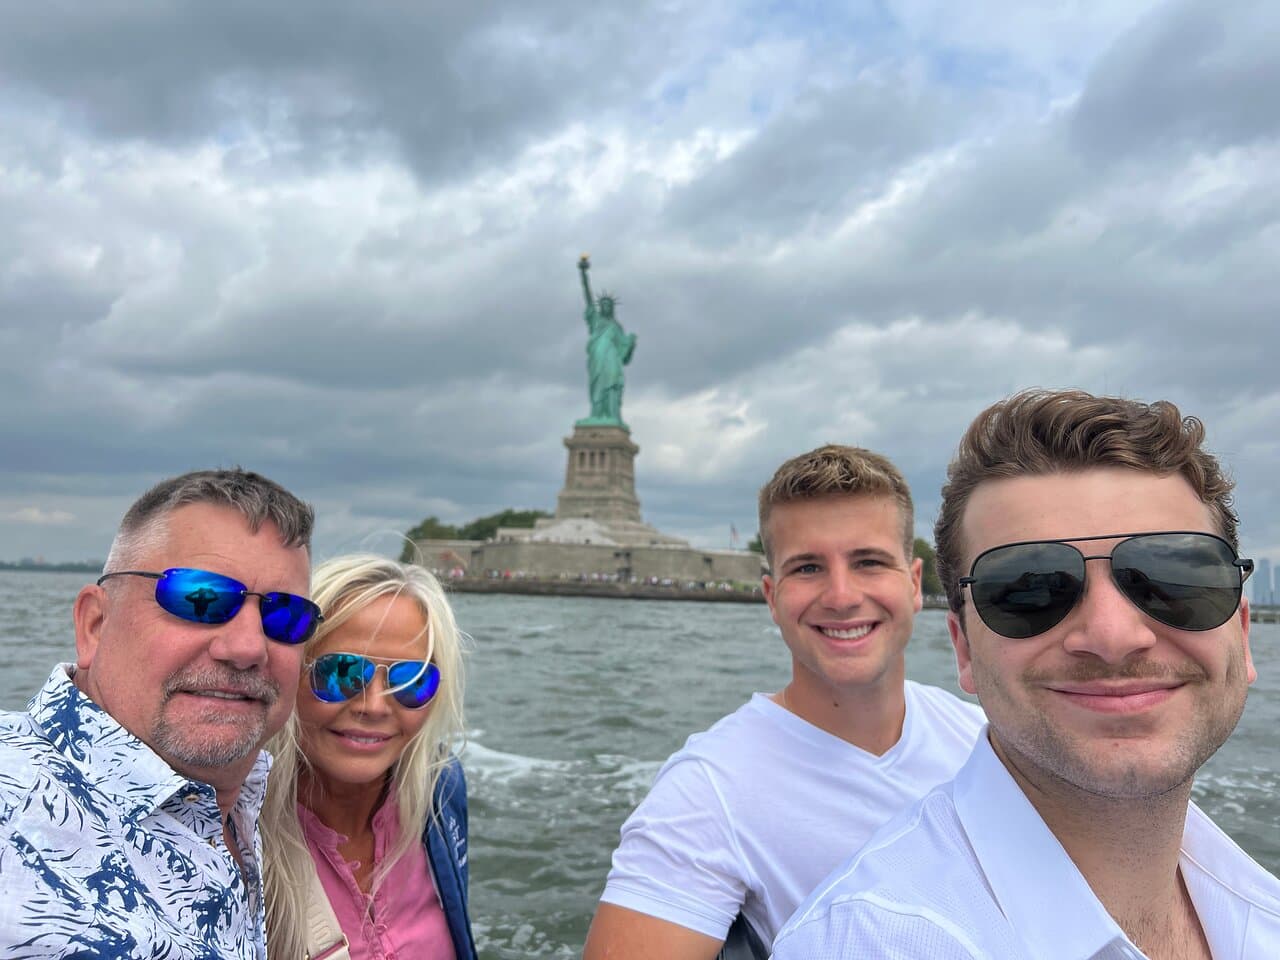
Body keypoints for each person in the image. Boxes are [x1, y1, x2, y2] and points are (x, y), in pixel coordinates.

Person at [773, 389, 1280, 959]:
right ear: (964, 648)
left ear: (1241, 631)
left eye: (1172, 578)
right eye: (1030, 589)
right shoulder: (867, 943)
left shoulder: (1258, 907)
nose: (1112, 636)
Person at [583, 445, 985, 959]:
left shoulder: (983, 737)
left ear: (912, 584)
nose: (841, 596)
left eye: (868, 562)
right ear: (772, 597)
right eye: (808, 568)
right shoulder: (707, 793)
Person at [0, 468, 317, 958]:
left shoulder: (246, 804)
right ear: (95, 624)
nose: (248, 647)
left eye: (285, 616)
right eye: (199, 598)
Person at [261, 554, 476, 960]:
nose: (374, 706)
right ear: (289, 672)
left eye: (410, 681)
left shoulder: (440, 788)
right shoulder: (232, 824)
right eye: (341, 674)